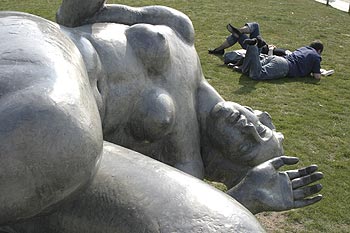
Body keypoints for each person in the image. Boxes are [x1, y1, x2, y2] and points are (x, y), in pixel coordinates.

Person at [0, 1, 323, 232]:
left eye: (247, 145)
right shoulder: (181, 31)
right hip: (41, 43)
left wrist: (243, 199)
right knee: (56, 128)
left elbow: (179, 216)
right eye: (262, 128)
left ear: (228, 167)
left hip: (52, 118)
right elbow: (75, 16)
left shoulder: (185, 166)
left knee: (56, 132)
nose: (250, 125)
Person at [239, 38, 323, 80]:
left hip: (276, 58)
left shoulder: (304, 48)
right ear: (319, 50)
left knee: (247, 70)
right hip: (284, 66)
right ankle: (255, 47)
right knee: (256, 75)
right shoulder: (316, 56)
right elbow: (317, 76)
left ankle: (252, 45)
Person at [208, 22, 289, 57]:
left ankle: (219, 49)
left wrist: (271, 50)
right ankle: (239, 30)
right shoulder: (290, 54)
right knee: (255, 25)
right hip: (262, 45)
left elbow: (271, 59)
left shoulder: (288, 60)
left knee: (238, 35)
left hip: (258, 51)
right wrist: (271, 47)